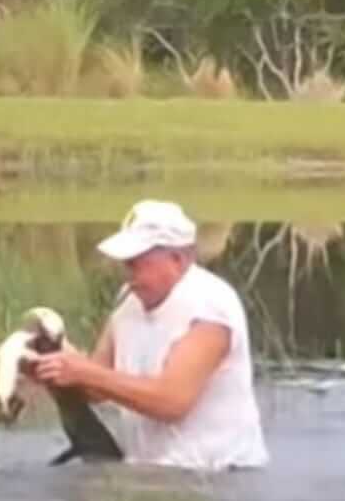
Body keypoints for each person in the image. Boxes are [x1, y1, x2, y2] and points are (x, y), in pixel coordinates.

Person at [30, 199, 269, 471]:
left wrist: (83, 372)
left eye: (137, 262)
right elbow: (96, 389)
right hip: (150, 471)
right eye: (126, 262)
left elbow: (172, 401)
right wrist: (53, 366)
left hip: (219, 474)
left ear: (177, 259)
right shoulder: (128, 299)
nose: (128, 271)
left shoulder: (210, 307)